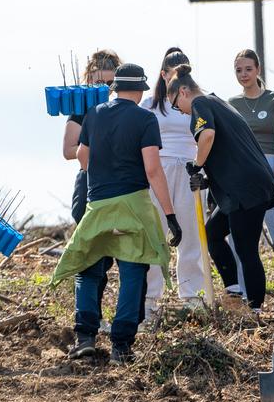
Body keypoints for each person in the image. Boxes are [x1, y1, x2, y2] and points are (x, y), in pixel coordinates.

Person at [52, 63, 181, 364]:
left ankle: (85, 337)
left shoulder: (94, 113)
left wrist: (98, 173)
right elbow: (152, 169)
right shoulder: (144, 118)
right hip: (132, 205)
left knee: (88, 267)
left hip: (97, 204)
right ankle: (121, 346)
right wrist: (170, 215)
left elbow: (82, 154)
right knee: (133, 271)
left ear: (114, 88)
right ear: (139, 90)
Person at [166, 64, 274, 313]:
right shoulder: (218, 101)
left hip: (246, 189)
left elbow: (207, 136)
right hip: (241, 187)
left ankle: (255, 309)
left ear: (183, 92)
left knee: (246, 250)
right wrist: (206, 177)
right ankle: (234, 291)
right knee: (212, 234)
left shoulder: (200, 104)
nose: (179, 112)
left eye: (175, 105)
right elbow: (226, 151)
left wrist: (196, 165)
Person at [141, 48, 207, 315]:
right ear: (163, 74)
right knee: (156, 232)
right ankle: (149, 300)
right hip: (159, 168)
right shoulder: (149, 104)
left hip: (191, 168)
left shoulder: (198, 100)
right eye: (173, 73)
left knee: (191, 232)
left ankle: (192, 294)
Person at [227, 48, 274, 291]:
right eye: (239, 70)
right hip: (243, 174)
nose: (244, 74)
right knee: (243, 239)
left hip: (270, 170)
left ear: (258, 69)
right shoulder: (232, 104)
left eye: (248, 69)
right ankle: (249, 294)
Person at [61, 50, 119, 334]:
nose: (104, 88)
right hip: (89, 186)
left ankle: (97, 317)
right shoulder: (81, 110)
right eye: (98, 82)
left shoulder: (126, 109)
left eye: (109, 82)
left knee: (109, 259)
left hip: (119, 188)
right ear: (88, 80)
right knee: (93, 259)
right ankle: (88, 320)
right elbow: (68, 150)